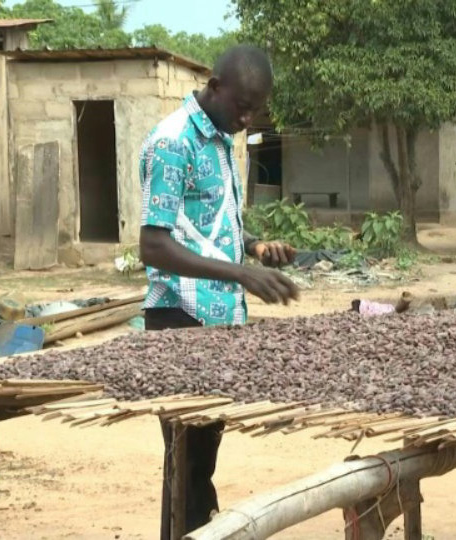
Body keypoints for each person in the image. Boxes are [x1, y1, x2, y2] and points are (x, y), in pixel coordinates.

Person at [137, 44, 299, 538]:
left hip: (219, 321)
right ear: (214, 87)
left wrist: (253, 247)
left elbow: (204, 224)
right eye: (242, 107)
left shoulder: (220, 139)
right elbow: (155, 245)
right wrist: (240, 275)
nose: (248, 118)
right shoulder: (172, 143)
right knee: (184, 469)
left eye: (256, 109)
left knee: (201, 464)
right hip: (179, 321)